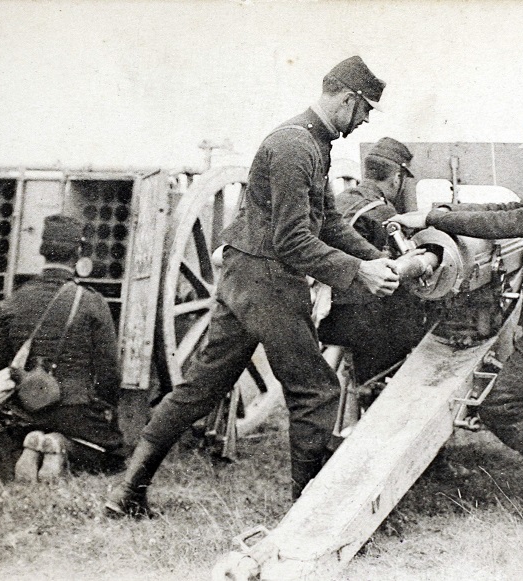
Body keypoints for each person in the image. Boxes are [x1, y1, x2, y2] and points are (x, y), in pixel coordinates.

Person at [105, 56, 401, 517]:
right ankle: (308, 517)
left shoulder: (312, 143)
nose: (363, 123)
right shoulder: (294, 146)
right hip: (268, 281)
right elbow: (293, 239)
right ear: (347, 99)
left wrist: (376, 258)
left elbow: (328, 222)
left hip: (247, 278)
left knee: (200, 387)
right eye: (364, 111)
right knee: (315, 391)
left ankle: (127, 493)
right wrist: (357, 272)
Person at [389, 112, 523, 522]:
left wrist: (434, 219)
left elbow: (511, 221)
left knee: (502, 405)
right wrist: (449, 209)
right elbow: (513, 207)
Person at [0, 214, 126, 481]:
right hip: (74, 409)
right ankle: (61, 446)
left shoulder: (15, 300)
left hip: (26, 411)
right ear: (79, 253)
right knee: (113, 455)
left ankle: (33, 441)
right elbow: (109, 372)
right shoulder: (91, 302)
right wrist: (104, 408)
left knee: (14, 436)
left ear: (42, 251)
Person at [318, 137, 427, 383]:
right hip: (357, 323)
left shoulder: (340, 199)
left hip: (324, 316)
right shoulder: (383, 213)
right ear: (396, 178)